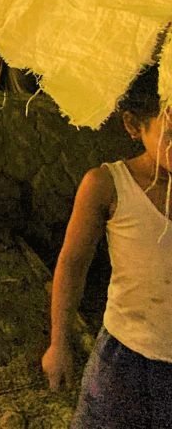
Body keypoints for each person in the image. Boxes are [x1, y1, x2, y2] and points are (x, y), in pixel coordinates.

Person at [42, 65, 172, 427]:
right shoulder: (107, 185)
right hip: (124, 358)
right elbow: (72, 263)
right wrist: (59, 343)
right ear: (133, 126)